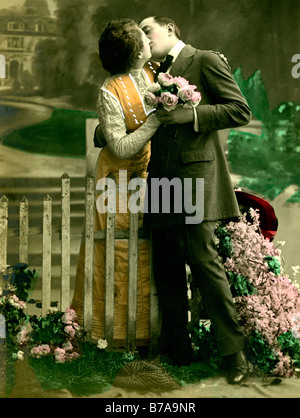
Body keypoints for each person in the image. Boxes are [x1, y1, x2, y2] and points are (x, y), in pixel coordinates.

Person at [139, 16, 252, 384]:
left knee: (203, 263)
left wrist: (191, 114)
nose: (144, 38)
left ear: (170, 29)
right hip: (161, 180)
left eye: (148, 31)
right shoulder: (151, 74)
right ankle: (178, 352)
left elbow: (239, 110)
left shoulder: (204, 59)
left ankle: (234, 354)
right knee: (167, 265)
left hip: (194, 177)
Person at [71, 19, 161, 347]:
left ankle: (144, 332)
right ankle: (110, 335)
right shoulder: (109, 90)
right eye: (145, 39)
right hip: (116, 182)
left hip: (148, 179)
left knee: (145, 251)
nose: (150, 41)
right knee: (117, 250)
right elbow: (121, 145)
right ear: (138, 51)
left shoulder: (151, 76)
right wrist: (157, 121)